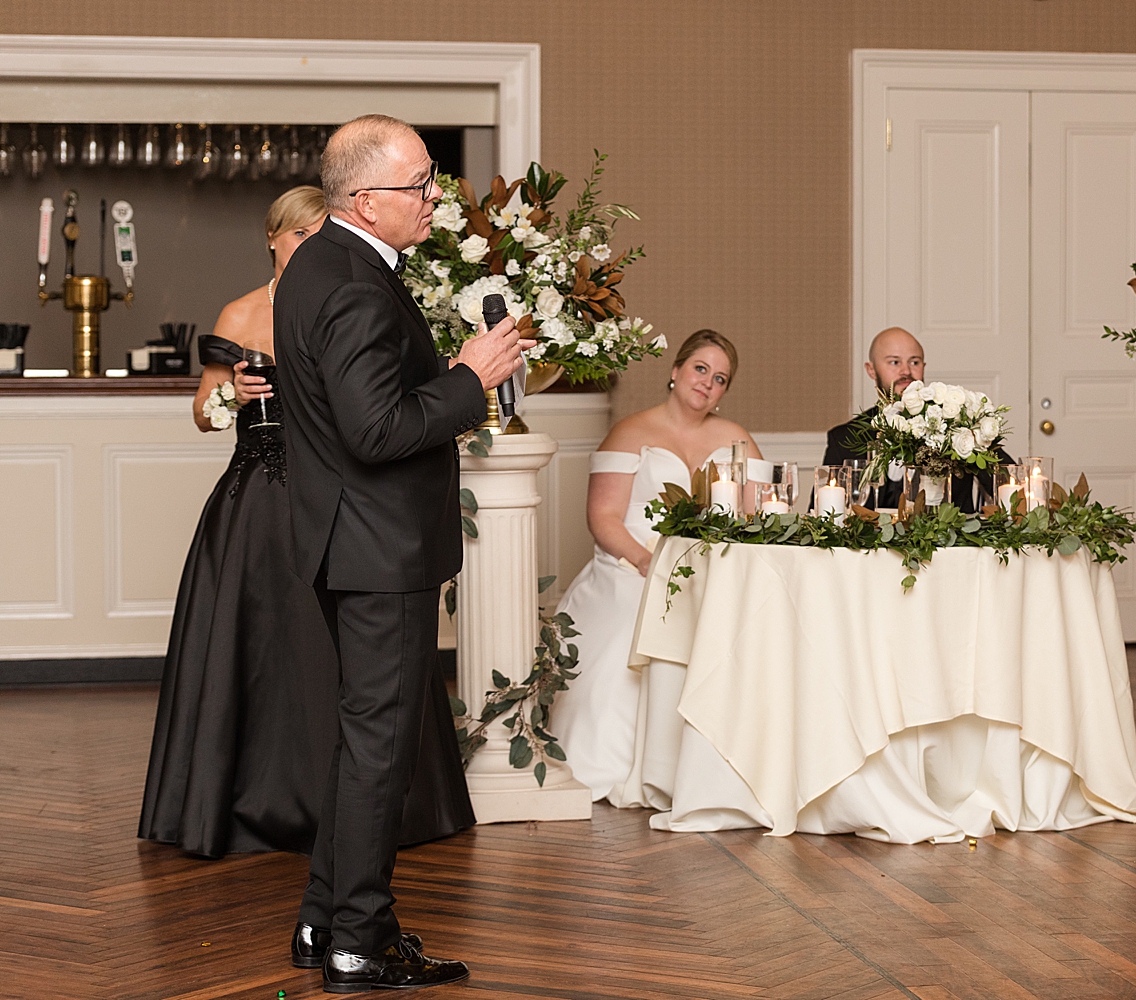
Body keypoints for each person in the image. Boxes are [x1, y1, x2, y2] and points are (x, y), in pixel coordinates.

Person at [138, 186, 475, 866]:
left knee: (342, 662)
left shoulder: (341, 295)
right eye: (297, 236)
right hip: (260, 496)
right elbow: (204, 412)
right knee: (263, 646)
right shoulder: (246, 311)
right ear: (272, 237)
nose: (308, 247)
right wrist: (234, 391)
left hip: (337, 492)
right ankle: (263, 804)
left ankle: (352, 813)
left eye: (318, 234)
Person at [273, 114, 530, 992]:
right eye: (421, 184)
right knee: (377, 748)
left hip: (352, 542)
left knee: (361, 746)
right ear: (366, 199)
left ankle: (323, 922)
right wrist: (471, 378)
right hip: (378, 549)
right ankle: (359, 944)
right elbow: (377, 430)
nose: (437, 197)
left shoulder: (324, 263)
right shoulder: (349, 280)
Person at [550, 329, 769, 802]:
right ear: (675, 371)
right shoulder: (631, 431)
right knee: (639, 614)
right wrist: (648, 561)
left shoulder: (737, 439)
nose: (708, 383)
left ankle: (712, 770)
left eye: (721, 378)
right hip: (630, 565)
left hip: (709, 569)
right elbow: (602, 517)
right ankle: (621, 762)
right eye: (700, 369)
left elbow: (757, 517)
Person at [824, 326, 1013, 511]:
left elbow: (1011, 482)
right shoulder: (843, 439)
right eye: (894, 362)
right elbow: (824, 512)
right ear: (871, 370)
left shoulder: (959, 426)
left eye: (914, 362)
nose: (906, 371)